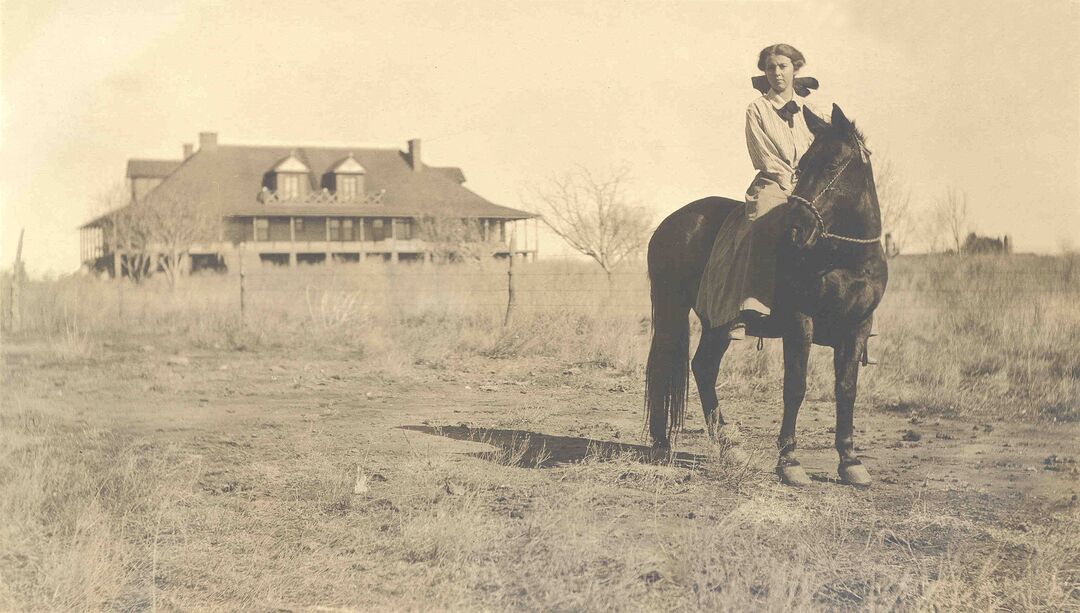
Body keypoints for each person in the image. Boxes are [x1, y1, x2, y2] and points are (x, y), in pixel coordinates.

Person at [695, 43, 828, 339]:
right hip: (774, 184)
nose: (777, 72)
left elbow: (827, 152)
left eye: (782, 66)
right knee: (762, 225)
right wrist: (791, 184)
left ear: (795, 68)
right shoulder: (757, 109)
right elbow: (763, 156)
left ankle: (856, 320)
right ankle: (748, 307)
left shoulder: (815, 111)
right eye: (770, 67)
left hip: (810, 186)